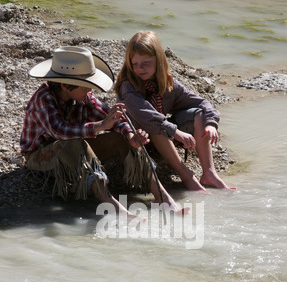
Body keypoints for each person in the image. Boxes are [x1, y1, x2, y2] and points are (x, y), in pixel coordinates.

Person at [20, 45, 187, 217]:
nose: (89, 90)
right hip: (39, 156)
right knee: (75, 145)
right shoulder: (43, 99)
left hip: (72, 144)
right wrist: (100, 126)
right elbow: (59, 132)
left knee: (120, 138)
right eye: (84, 86)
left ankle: (162, 197)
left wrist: (130, 135)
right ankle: (114, 207)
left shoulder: (83, 96)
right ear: (64, 85)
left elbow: (112, 118)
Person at [115, 31, 234, 192]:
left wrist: (211, 123)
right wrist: (177, 132)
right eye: (135, 64)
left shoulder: (167, 84)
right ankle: (187, 177)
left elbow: (201, 102)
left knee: (198, 114)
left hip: (162, 138)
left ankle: (209, 173)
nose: (139, 69)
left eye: (146, 63)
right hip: (136, 138)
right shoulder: (127, 87)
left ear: (159, 60)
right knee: (157, 124)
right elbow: (147, 116)